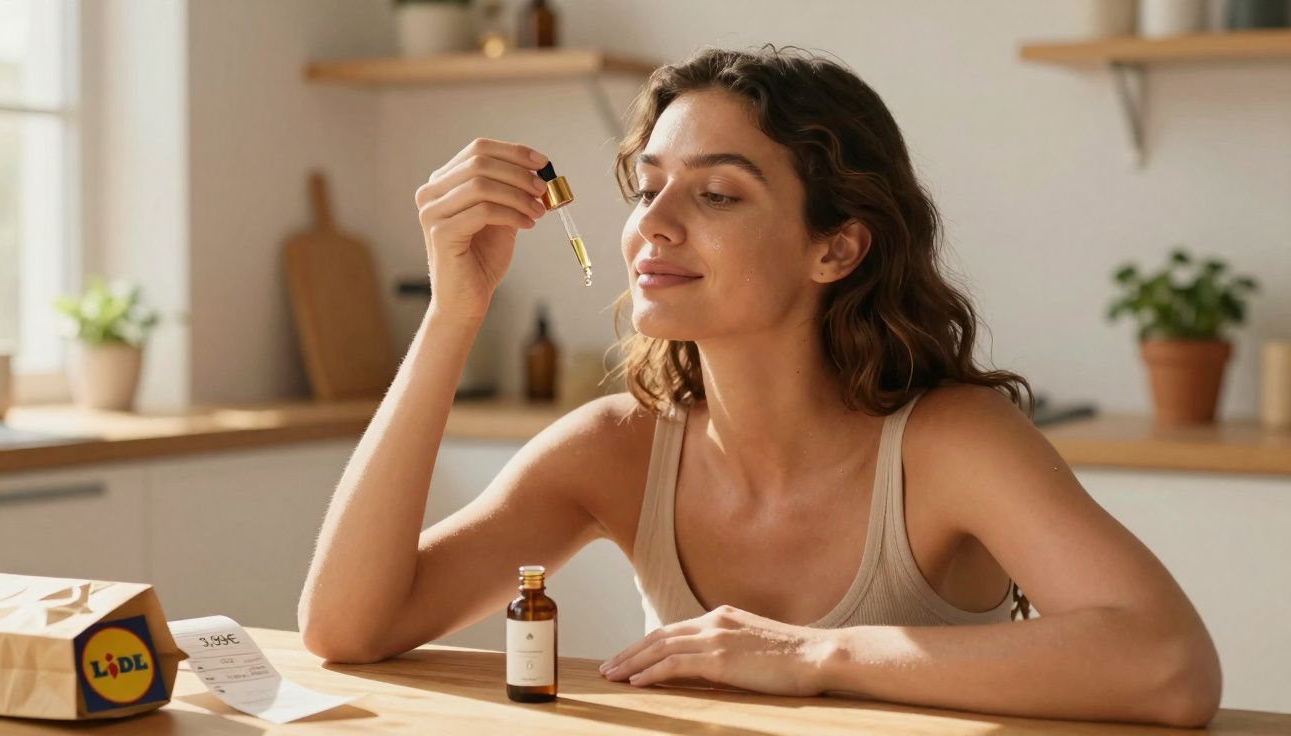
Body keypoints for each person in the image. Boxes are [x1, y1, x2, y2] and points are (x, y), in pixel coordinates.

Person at [298, 45, 1221, 727]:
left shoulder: (951, 443)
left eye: (718, 194)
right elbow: (346, 629)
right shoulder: (616, 448)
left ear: (837, 246)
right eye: (647, 186)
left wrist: (810, 655)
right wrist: (451, 313)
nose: (652, 226)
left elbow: (1170, 665)